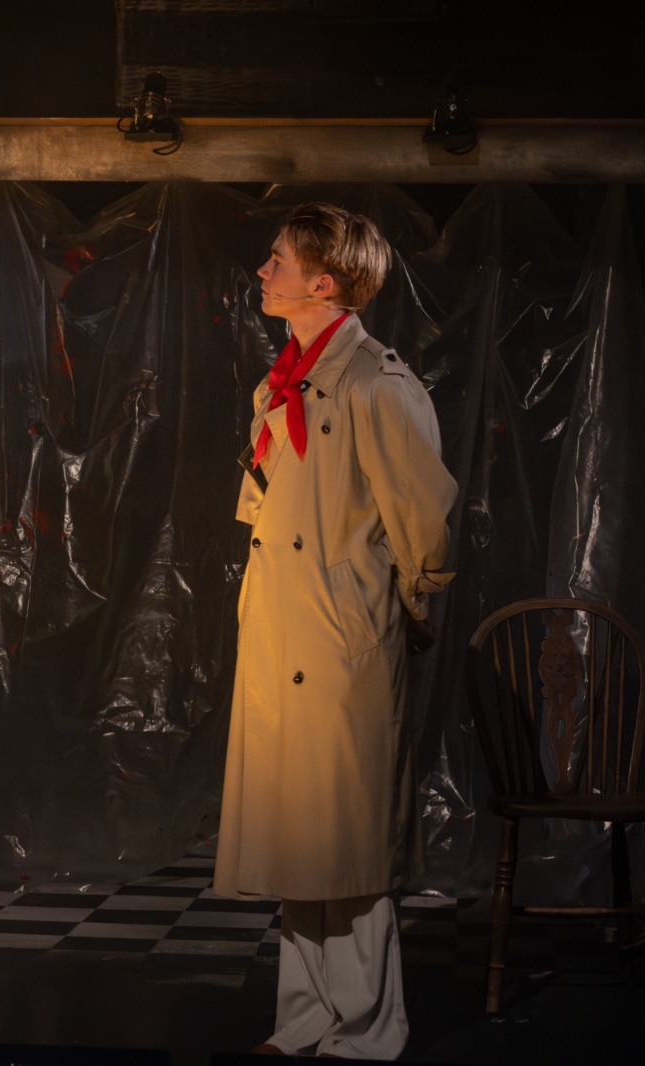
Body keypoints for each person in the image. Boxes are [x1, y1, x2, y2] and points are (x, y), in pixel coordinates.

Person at [214, 202, 457, 1059]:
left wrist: (413, 604)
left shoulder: (375, 383)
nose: (263, 271)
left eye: (279, 260)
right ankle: (306, 1018)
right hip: (284, 629)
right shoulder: (283, 382)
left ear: (323, 283)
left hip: (340, 636)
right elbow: (264, 504)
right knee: (301, 839)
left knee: (347, 845)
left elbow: (422, 515)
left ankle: (366, 1028)